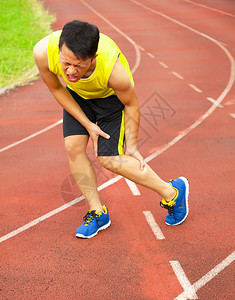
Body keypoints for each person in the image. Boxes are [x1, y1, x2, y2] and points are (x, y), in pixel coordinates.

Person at [33, 20, 189, 239]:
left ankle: (172, 193)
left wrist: (132, 146)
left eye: (78, 65)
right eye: (65, 62)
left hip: (110, 99)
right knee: (73, 146)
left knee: (110, 160)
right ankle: (97, 212)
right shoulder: (43, 52)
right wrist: (88, 125)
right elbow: (57, 88)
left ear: (93, 58)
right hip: (78, 97)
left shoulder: (113, 71)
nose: (70, 70)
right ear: (59, 50)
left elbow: (131, 104)